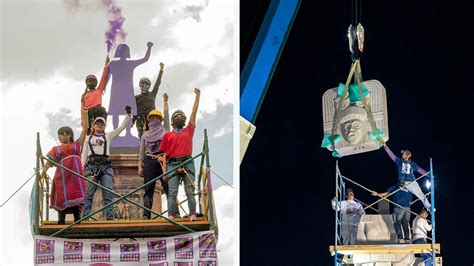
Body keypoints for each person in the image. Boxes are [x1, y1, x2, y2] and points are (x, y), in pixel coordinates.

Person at [81, 106, 132, 220]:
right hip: (91, 167)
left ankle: (110, 217)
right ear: (93, 125)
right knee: (89, 194)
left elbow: (121, 128)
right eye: (97, 123)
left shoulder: (108, 136)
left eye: (102, 124)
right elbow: (84, 155)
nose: (99, 125)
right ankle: (85, 217)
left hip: (105, 167)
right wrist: (80, 170)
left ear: (104, 126)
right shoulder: (88, 138)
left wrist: (128, 115)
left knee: (108, 193)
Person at [159, 88, 201, 221]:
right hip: (172, 163)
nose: (178, 117)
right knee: (172, 193)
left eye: (181, 116)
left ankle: (192, 214)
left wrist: (197, 96)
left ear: (184, 119)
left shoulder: (189, 130)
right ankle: (171, 215)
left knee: (189, 191)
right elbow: (164, 154)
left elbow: (194, 112)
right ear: (172, 120)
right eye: (176, 116)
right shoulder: (168, 135)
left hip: (187, 161)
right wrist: (164, 171)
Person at [40, 110, 88, 225]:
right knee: (62, 197)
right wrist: (41, 174)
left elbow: (85, 130)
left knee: (76, 197)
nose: (60, 137)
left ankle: (77, 221)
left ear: (68, 135)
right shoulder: (56, 149)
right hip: (62, 177)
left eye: (62, 134)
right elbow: (48, 163)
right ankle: (60, 222)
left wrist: (86, 115)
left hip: (75, 176)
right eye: (59, 135)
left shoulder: (76, 146)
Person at [107, 42, 152, 135]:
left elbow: (145, 59)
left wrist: (149, 47)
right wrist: (103, 87)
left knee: (129, 113)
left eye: (124, 51)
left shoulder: (130, 63)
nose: (123, 53)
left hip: (127, 92)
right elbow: (107, 76)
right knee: (116, 113)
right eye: (122, 51)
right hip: (116, 92)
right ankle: (116, 133)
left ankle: (128, 133)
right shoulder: (112, 64)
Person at [138, 93, 170, 219]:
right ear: (149, 120)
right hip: (149, 161)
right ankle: (146, 215)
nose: (155, 120)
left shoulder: (165, 130)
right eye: (153, 118)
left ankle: (174, 213)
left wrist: (165, 101)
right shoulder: (145, 135)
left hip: (163, 160)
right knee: (148, 189)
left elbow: (167, 116)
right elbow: (141, 153)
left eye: (157, 118)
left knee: (168, 187)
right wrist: (139, 166)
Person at [383, 145, 432, 211]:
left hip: (411, 181)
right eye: (402, 154)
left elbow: (420, 170)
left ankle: (429, 207)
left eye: (404, 154)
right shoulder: (399, 161)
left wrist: (428, 174)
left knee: (420, 194)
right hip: (402, 182)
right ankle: (400, 204)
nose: (402, 155)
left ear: (408, 155)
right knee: (397, 190)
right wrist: (386, 147)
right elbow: (391, 155)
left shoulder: (412, 164)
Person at [133, 62, 165, 138]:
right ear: (140, 85)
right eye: (143, 84)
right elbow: (134, 111)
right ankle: (142, 148)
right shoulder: (136, 97)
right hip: (140, 120)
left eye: (147, 84)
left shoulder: (152, 94)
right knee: (142, 138)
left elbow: (157, 84)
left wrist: (161, 70)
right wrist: (132, 121)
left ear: (149, 86)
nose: (145, 86)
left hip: (152, 119)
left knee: (154, 136)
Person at [81, 55, 110, 134]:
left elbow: (104, 77)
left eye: (93, 81)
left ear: (96, 83)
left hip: (98, 110)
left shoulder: (99, 90)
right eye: (89, 81)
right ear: (86, 83)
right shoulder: (84, 95)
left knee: (102, 111)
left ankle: (101, 130)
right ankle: (88, 138)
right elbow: (82, 108)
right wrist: (82, 119)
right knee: (87, 130)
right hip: (88, 112)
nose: (91, 82)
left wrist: (106, 64)